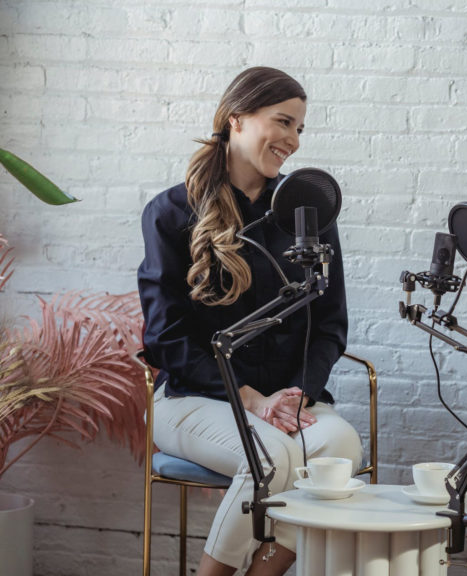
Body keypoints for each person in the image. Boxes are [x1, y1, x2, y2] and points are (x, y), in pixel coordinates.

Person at [138, 67, 362, 576]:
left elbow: (330, 323)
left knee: (341, 447)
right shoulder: (171, 212)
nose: (293, 140)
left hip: (285, 403)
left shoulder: (311, 209)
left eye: (300, 128)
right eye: (283, 122)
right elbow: (165, 337)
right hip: (194, 400)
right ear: (236, 118)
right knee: (272, 460)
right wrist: (250, 400)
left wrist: (298, 393)